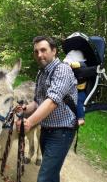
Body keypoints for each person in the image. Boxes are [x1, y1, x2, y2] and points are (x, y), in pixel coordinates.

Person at [16, 36, 78, 182]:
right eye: (36, 51)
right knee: (51, 174)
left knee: (44, 178)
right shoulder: (41, 73)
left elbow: (52, 101)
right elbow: (38, 102)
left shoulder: (62, 70)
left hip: (62, 132)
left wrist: (29, 122)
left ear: (54, 51)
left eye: (43, 50)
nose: (39, 55)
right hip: (46, 129)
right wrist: (23, 110)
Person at [63, 50, 86, 126]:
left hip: (80, 92)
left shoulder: (82, 66)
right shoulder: (68, 69)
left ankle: (81, 118)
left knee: (78, 102)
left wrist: (69, 63)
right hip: (71, 91)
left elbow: (78, 64)